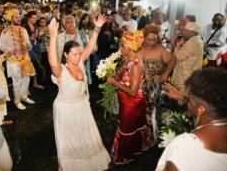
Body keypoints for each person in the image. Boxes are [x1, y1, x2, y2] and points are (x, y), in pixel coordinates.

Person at [48, 16, 111, 171]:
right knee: (70, 141)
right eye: (74, 54)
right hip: (66, 110)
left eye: (78, 54)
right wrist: (53, 37)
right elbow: (52, 62)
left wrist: (97, 28)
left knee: (84, 135)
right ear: (65, 55)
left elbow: (89, 47)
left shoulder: (80, 62)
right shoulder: (61, 71)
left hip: (82, 105)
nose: (78, 57)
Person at [156, 68, 227, 171]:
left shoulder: (183, 148)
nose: (188, 103)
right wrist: (183, 98)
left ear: (201, 109)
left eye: (189, 99)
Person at [106, 30, 152, 165]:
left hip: (132, 104)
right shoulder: (129, 61)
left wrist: (114, 83)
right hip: (126, 101)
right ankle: (132, 149)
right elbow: (123, 77)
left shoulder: (136, 66)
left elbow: (132, 91)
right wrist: (117, 73)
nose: (120, 49)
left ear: (131, 47)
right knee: (127, 127)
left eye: (123, 46)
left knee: (127, 128)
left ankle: (126, 155)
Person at [140, 24, 176, 145]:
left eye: (154, 39)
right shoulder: (138, 48)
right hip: (139, 85)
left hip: (155, 85)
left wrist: (166, 73)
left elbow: (173, 60)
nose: (152, 42)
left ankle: (152, 137)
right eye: (149, 39)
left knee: (153, 112)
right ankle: (139, 136)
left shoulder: (160, 49)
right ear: (143, 38)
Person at [0, 9, 36, 110]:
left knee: (27, 79)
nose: (18, 18)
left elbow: (29, 44)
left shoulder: (23, 30)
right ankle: (17, 101)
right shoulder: (5, 31)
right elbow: (1, 47)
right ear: (11, 19)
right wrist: (13, 49)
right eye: (16, 17)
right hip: (14, 61)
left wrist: (28, 45)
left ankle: (24, 97)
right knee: (17, 82)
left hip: (26, 59)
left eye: (19, 17)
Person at [170, 22, 203, 96]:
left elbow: (178, 57)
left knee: (181, 97)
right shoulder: (196, 40)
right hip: (188, 74)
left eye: (184, 31)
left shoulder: (193, 42)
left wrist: (174, 45)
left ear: (191, 32)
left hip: (185, 76)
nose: (182, 33)